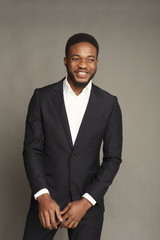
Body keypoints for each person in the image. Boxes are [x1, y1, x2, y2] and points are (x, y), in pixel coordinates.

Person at [23, 33, 123, 240]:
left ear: (97, 62)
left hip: (87, 204)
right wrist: (42, 196)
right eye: (76, 58)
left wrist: (86, 201)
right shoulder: (42, 97)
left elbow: (113, 159)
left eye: (90, 59)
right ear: (66, 60)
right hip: (45, 200)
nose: (83, 65)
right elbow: (32, 150)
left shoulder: (109, 103)